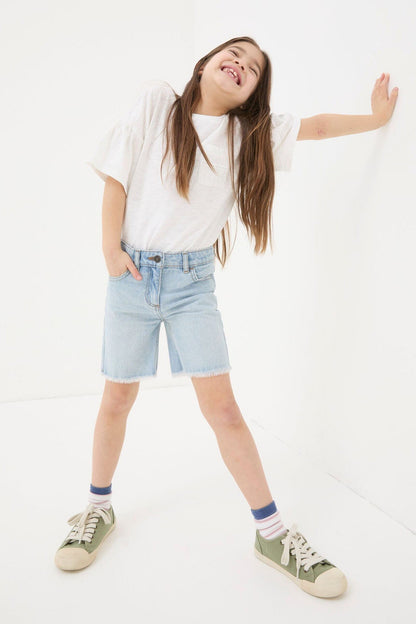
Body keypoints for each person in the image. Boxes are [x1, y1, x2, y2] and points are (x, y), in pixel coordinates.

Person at [54, 36, 398, 597]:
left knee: (224, 410)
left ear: (253, 93)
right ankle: (97, 507)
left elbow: (315, 127)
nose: (242, 63)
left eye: (255, 68)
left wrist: (375, 119)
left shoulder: (248, 134)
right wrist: (110, 252)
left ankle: (272, 533)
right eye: (235, 53)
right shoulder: (157, 103)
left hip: (191, 285)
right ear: (206, 63)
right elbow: (116, 177)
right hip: (131, 278)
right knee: (116, 398)